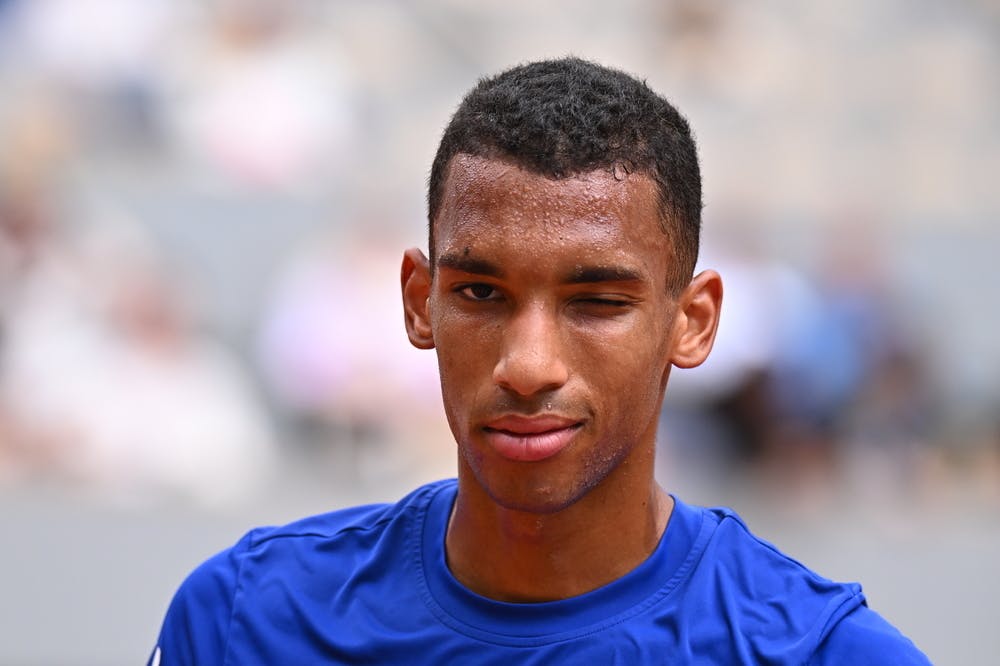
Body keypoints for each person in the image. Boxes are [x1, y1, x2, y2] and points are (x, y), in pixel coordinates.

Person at [148, 58, 930, 665]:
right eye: (482, 292)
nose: (528, 365)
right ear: (420, 303)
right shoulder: (244, 620)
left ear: (692, 323)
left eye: (596, 301)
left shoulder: (824, 654)